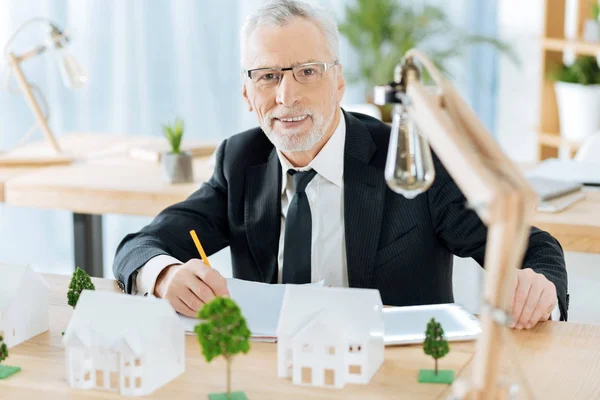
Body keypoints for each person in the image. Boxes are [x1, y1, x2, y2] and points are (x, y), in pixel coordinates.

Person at [113, 0, 568, 329]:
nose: (286, 96)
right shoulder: (240, 161)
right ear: (247, 95)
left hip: (398, 378)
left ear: (339, 81)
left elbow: (532, 246)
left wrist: (540, 285)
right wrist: (165, 275)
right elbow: (140, 246)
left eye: (307, 71)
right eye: (268, 76)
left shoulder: (409, 155)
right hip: (272, 377)